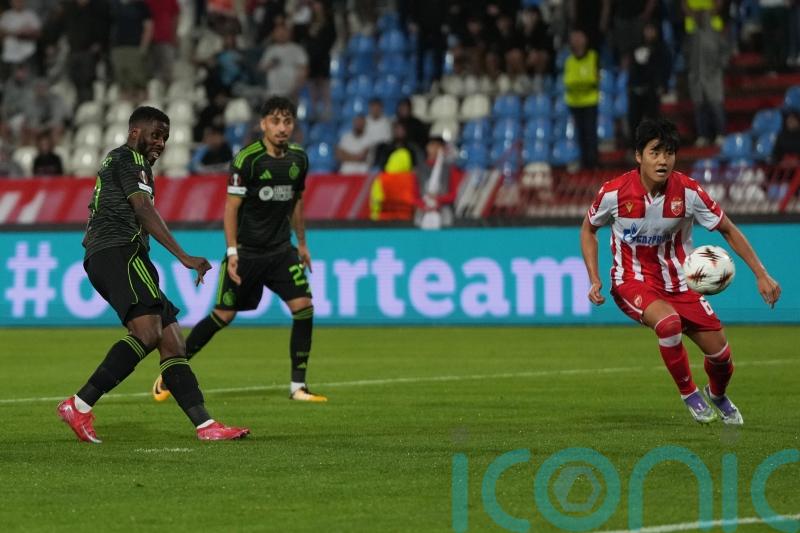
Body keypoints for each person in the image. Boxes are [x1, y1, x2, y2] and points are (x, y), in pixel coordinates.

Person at [57, 106, 249, 443]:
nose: (160, 142)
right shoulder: (131, 160)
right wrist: (184, 256)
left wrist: (93, 234)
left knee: (173, 341)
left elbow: (100, 207)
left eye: (165, 137)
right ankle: (79, 404)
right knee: (147, 332)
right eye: (155, 134)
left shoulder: (116, 161)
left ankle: (206, 426)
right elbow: (143, 209)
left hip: (115, 252)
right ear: (135, 132)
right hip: (120, 251)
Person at [579, 118, 781, 426]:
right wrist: (594, 277)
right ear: (639, 156)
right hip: (632, 281)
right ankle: (689, 394)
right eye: (655, 152)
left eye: (669, 152)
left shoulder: (689, 192)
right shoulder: (614, 193)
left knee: (722, 359)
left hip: (681, 284)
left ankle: (716, 395)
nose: (663, 160)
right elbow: (588, 230)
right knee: (669, 323)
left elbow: (727, 228)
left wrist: (761, 273)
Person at [152, 96, 326, 403]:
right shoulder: (248, 160)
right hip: (246, 253)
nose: (282, 128)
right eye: (275, 121)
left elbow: (296, 202)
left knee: (304, 307)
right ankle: (170, 371)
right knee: (223, 315)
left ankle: (298, 387)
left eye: (287, 121)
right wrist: (232, 252)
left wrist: (301, 243)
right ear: (263, 125)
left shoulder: (299, 159)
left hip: (280, 250)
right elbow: (231, 209)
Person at [564, 29, 599, 169]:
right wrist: (584, 83)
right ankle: (584, 164)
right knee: (580, 136)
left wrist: (580, 83)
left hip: (590, 102)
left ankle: (593, 165)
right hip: (574, 104)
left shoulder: (593, 56)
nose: (577, 41)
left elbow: (594, 79)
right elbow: (568, 82)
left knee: (590, 134)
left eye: (579, 37)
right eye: (574, 38)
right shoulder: (569, 60)